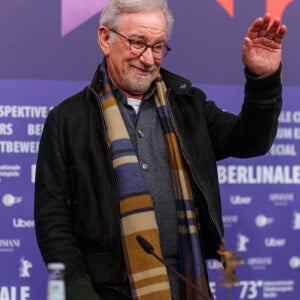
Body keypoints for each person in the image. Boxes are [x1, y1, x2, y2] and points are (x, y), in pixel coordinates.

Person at [34, 0, 287, 299]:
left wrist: (263, 81)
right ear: (105, 38)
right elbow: (53, 225)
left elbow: (251, 141)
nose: (148, 59)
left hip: (186, 284)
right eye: (138, 43)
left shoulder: (188, 105)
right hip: (106, 291)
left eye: (158, 47)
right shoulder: (67, 120)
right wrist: (78, 292)